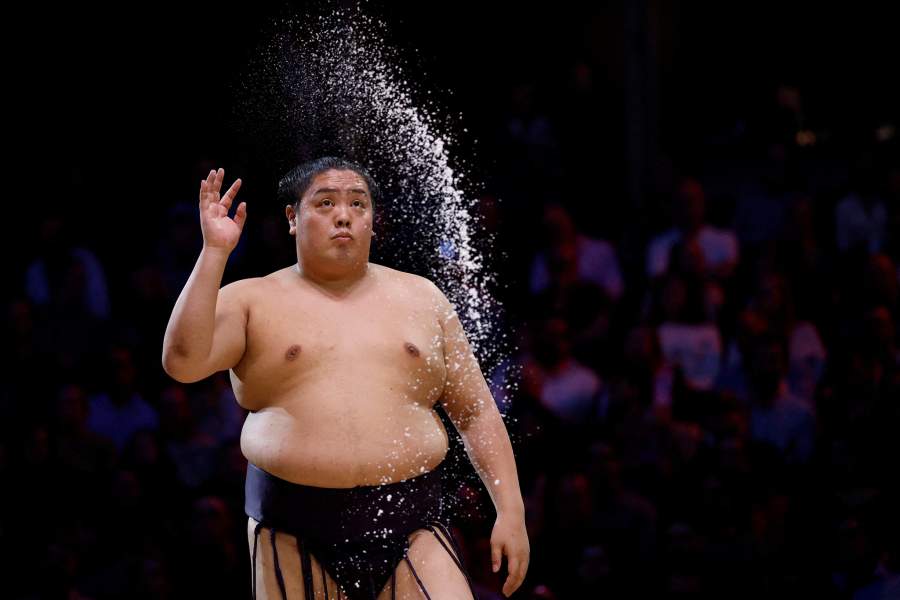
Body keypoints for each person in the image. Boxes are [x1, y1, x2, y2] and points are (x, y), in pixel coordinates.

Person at [162, 157, 529, 599]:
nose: (344, 215)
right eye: (325, 203)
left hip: (414, 521)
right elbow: (183, 362)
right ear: (292, 218)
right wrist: (214, 253)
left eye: (359, 204)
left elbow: (474, 412)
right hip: (292, 529)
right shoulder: (251, 300)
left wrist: (510, 510)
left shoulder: (422, 297)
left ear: (373, 222)